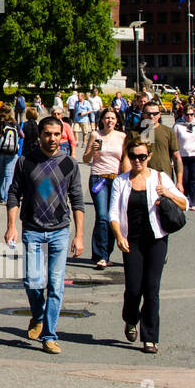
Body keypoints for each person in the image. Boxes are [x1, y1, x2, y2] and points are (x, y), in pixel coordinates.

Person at [5, 116, 85, 354]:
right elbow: (13, 194)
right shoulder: (25, 161)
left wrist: (79, 235)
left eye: (56, 135)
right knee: (32, 281)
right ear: (39, 135)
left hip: (60, 230)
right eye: (47, 134)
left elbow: (78, 201)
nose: (52, 139)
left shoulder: (69, 164)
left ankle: (49, 335)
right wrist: (11, 226)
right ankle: (38, 316)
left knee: (56, 285)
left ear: (62, 136)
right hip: (33, 229)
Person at [110, 134, 187, 354]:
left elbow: (184, 204)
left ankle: (150, 337)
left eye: (142, 157)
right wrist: (118, 236)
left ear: (149, 156)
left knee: (151, 289)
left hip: (157, 239)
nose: (137, 161)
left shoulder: (160, 178)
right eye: (133, 156)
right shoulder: (121, 181)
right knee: (134, 288)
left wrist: (167, 195)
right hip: (130, 240)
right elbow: (113, 212)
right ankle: (131, 318)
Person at [83, 107, 126, 269]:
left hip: (116, 178)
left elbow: (125, 159)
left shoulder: (122, 136)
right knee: (102, 216)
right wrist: (92, 151)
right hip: (98, 178)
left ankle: (104, 252)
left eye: (113, 118)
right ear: (101, 120)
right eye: (107, 118)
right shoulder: (96, 135)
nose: (110, 121)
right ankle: (101, 255)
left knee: (112, 217)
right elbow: (86, 159)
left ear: (117, 121)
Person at [0, 102, 22, 204]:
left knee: (1, 174)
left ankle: (1, 195)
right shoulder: (14, 122)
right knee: (9, 175)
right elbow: (22, 135)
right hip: (12, 153)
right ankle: (7, 196)